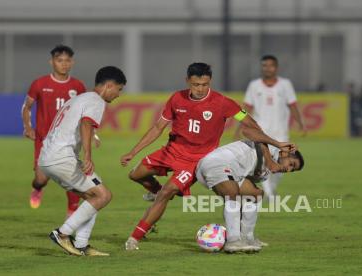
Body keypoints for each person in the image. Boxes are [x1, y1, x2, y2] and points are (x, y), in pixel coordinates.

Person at [120, 62, 295, 251]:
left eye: (205, 84)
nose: (200, 89)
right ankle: (155, 191)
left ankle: (135, 238)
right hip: (171, 151)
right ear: (187, 81)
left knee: (167, 192)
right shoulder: (176, 99)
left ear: (210, 81)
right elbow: (157, 128)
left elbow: (253, 127)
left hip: (196, 161)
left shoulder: (222, 103)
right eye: (196, 85)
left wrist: (269, 155)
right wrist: (133, 151)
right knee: (135, 175)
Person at [39, 66, 126, 256]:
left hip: (48, 157)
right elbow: (86, 123)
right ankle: (62, 234)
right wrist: (87, 156)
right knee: (103, 196)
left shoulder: (78, 98)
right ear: (109, 85)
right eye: (119, 89)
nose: (118, 94)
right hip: (61, 157)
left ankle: (81, 245)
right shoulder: (96, 100)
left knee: (92, 197)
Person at [196, 140, 304, 253]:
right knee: (232, 194)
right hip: (217, 162)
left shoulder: (266, 172)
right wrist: (270, 159)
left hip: (233, 171)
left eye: (292, 170)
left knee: (255, 195)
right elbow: (258, 139)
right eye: (291, 164)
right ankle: (233, 241)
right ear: (284, 153)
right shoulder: (270, 150)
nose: (288, 169)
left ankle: (247, 238)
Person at [21, 45, 86, 215]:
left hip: (69, 141)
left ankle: (70, 220)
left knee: (72, 180)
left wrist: (92, 134)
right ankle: (37, 188)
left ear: (72, 62)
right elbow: (26, 107)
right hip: (44, 141)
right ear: (52, 62)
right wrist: (28, 127)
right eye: (59, 60)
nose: (64, 64)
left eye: (67, 60)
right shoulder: (40, 84)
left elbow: (85, 113)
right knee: (41, 179)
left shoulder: (78, 86)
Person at [234, 55, 306, 197]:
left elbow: (292, 105)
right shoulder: (254, 85)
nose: (267, 68)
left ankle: (271, 189)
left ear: (276, 67)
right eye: (264, 65)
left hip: (281, 132)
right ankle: (269, 194)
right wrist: (238, 128)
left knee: (284, 164)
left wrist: (300, 123)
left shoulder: (285, 84)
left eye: (270, 65)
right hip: (262, 132)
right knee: (263, 163)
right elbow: (247, 107)